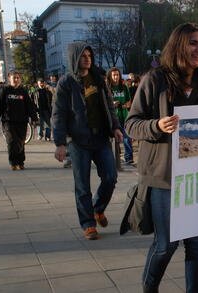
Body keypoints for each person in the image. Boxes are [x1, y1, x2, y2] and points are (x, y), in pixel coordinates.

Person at [125, 23, 198, 293]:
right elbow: (132, 123)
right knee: (166, 245)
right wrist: (157, 126)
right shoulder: (155, 79)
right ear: (178, 45)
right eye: (193, 43)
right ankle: (149, 288)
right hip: (164, 178)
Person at [52, 42, 123, 240]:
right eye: (83, 56)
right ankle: (88, 224)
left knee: (110, 177)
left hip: (101, 138)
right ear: (74, 58)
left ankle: (98, 209)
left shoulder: (99, 78)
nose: (87, 59)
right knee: (83, 186)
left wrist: (116, 127)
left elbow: (109, 106)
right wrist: (60, 143)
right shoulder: (66, 83)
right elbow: (58, 114)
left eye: (89, 55)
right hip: (79, 142)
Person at [0, 71, 38, 170]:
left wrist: (34, 118)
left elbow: (29, 106)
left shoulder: (23, 91)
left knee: (21, 142)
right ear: (9, 79)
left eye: (18, 78)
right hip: (8, 122)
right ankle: (13, 162)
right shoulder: (4, 91)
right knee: (12, 141)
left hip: (22, 121)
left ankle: (21, 161)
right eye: (14, 78)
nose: (16, 80)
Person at [106, 67, 133, 164]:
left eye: (117, 75)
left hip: (124, 116)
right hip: (113, 118)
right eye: (114, 75)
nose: (116, 77)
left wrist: (124, 105)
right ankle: (114, 157)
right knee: (113, 139)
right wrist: (112, 103)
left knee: (127, 137)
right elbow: (104, 102)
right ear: (110, 76)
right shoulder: (107, 88)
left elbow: (129, 102)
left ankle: (128, 157)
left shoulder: (124, 87)